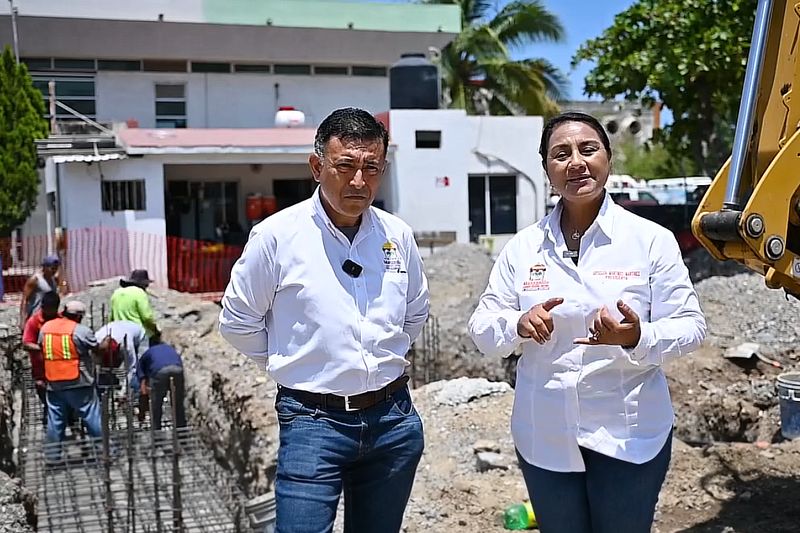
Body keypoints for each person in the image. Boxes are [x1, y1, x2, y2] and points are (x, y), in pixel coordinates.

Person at [468, 112, 707, 533]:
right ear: (546, 170)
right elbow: (482, 327)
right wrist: (518, 323)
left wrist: (637, 336)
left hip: (628, 436)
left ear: (608, 159)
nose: (575, 162)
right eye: (560, 154)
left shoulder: (650, 240)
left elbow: (691, 326)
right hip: (545, 435)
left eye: (588, 149)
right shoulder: (523, 248)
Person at [219, 107, 429, 533]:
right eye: (345, 166)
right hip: (313, 423)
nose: (359, 180)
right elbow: (238, 322)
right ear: (318, 167)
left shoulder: (396, 235)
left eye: (371, 168)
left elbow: (415, 313)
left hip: (392, 421)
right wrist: (293, 360)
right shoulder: (277, 237)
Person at [40, 300, 108, 464]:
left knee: (55, 421)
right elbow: (97, 349)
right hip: (79, 381)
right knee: (92, 418)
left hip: (53, 382)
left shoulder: (46, 328)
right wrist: (105, 344)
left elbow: (40, 347)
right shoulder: (80, 331)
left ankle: (52, 457)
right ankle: (105, 452)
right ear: (78, 316)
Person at [21, 291, 61, 425]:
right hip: (41, 370)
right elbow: (26, 344)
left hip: (60, 370)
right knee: (46, 397)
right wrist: (45, 348)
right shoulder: (34, 321)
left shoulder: (61, 320)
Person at [136, 340, 185, 431]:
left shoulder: (147, 353)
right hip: (178, 369)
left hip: (159, 371)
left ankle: (156, 431)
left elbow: (142, 382)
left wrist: (142, 410)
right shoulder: (170, 349)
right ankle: (181, 431)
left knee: (156, 404)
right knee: (178, 403)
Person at [95, 319, 149, 400]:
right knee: (105, 372)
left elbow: (131, 368)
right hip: (119, 328)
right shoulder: (96, 339)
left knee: (140, 369)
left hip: (139, 335)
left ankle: (136, 398)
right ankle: (105, 396)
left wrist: (124, 390)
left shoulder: (127, 345)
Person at [110, 269, 160, 341]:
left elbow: (111, 318)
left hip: (119, 333)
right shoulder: (140, 293)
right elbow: (146, 317)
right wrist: (155, 329)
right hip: (138, 334)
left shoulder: (116, 293)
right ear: (144, 284)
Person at [20, 254, 63, 329]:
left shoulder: (54, 280)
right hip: (36, 317)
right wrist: (23, 320)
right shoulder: (35, 280)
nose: (54, 271)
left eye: (56, 268)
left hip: (49, 318)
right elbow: (24, 300)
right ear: (45, 267)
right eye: (52, 268)